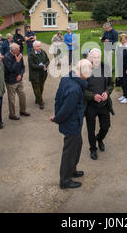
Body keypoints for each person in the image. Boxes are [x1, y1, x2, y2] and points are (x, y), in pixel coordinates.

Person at [50, 59, 93, 189]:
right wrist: (57, 118)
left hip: (75, 122)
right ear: (82, 72)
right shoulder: (74, 89)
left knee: (78, 145)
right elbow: (66, 109)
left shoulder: (67, 78)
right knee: (69, 152)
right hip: (72, 123)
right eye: (89, 72)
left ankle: (72, 170)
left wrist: (57, 114)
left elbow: (58, 98)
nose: (90, 74)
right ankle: (65, 180)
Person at [84, 48, 115, 160]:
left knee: (106, 126)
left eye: (98, 57)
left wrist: (107, 92)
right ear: (90, 57)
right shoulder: (85, 69)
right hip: (90, 105)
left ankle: (100, 138)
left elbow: (111, 84)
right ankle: (93, 149)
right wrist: (92, 96)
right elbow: (81, 89)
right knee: (90, 129)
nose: (96, 59)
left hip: (104, 104)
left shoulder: (105, 68)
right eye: (94, 57)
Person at [3, 43, 30, 120]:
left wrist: (20, 75)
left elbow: (23, 67)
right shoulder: (6, 57)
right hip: (11, 81)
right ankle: (12, 114)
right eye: (18, 49)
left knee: (22, 95)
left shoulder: (19, 55)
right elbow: (10, 69)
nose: (19, 50)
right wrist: (17, 61)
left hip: (19, 80)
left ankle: (23, 110)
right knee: (12, 99)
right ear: (13, 50)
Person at [28, 41, 50, 110]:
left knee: (41, 88)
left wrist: (45, 65)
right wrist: (41, 67)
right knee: (36, 89)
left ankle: (37, 99)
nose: (39, 47)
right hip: (35, 75)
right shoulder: (31, 55)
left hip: (43, 74)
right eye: (37, 46)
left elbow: (48, 60)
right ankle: (41, 102)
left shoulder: (43, 52)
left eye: (40, 46)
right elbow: (32, 65)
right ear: (34, 47)